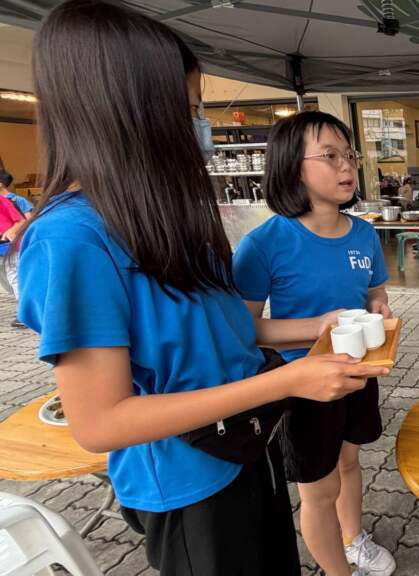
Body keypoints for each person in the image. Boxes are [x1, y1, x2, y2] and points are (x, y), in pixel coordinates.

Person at [16, 2, 387, 574]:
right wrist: (289, 378)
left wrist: (316, 328)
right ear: (130, 111)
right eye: (188, 110)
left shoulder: (163, 218)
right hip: (187, 485)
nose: (201, 128)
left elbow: (233, 331)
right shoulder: (71, 239)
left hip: (244, 449)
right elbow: (100, 421)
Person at [233, 111, 396, 576]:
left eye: (349, 154)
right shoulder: (264, 244)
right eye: (329, 155)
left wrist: (381, 309)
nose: (346, 166)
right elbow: (247, 329)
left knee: (349, 460)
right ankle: (337, 571)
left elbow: (375, 292)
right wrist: (317, 326)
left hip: (359, 371)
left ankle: (354, 539)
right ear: (291, 166)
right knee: (317, 490)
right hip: (303, 386)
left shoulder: (363, 232)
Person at [1, 169, 33, 327]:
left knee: (16, 275)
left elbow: (28, 219)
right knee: (9, 278)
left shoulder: (15, 200)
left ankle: (26, 310)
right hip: (5, 247)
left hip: (16, 244)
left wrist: (12, 231)